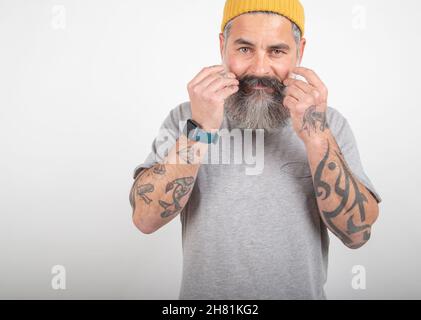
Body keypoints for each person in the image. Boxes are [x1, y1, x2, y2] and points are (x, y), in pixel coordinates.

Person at [129, 0, 382, 300]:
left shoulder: (328, 124)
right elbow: (145, 219)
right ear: (223, 45)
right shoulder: (186, 118)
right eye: (245, 49)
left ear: (299, 50)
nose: (260, 68)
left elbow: (358, 234)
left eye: (277, 51)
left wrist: (315, 137)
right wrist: (202, 130)